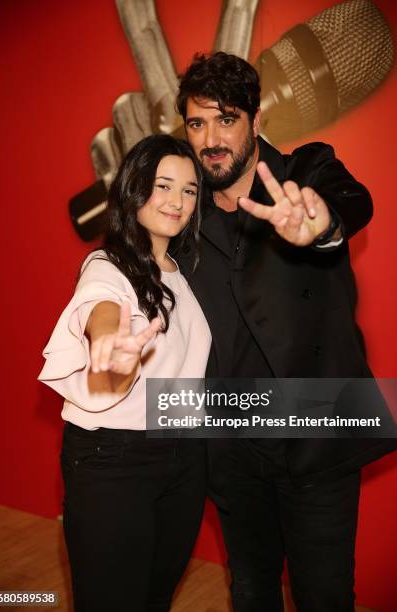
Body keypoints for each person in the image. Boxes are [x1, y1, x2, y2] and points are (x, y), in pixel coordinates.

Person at [174, 52, 396, 612]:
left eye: (225, 119)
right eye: (197, 123)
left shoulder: (306, 172)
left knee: (323, 598)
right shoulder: (182, 208)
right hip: (233, 445)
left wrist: (321, 225)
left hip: (316, 431)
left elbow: (352, 202)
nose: (211, 139)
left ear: (253, 119)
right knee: (251, 590)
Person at [38, 134, 211, 612]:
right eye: (163, 185)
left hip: (180, 457)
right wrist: (112, 345)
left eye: (190, 190)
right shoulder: (107, 264)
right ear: (135, 188)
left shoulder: (179, 269)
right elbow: (102, 305)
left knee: (155, 597)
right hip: (114, 459)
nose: (177, 201)